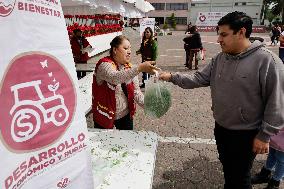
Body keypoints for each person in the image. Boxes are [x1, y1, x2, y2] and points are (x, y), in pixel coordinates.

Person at [159, 11, 284, 189]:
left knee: (240, 178)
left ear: (241, 32)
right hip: (222, 128)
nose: (218, 39)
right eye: (219, 34)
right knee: (229, 171)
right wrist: (171, 76)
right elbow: (198, 78)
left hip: (247, 134)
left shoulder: (268, 61)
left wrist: (264, 135)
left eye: (224, 34)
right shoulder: (220, 58)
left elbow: (277, 103)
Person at [92, 35, 159, 130]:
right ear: (115, 50)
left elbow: (136, 92)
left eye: (130, 49)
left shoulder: (130, 68)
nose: (129, 51)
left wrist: (150, 105)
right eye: (125, 48)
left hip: (125, 116)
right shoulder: (104, 65)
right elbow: (114, 78)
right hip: (105, 116)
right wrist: (139, 68)